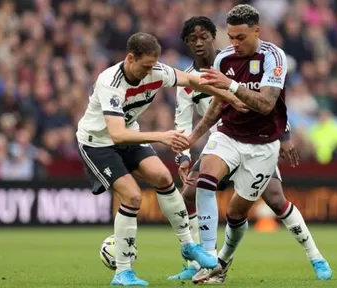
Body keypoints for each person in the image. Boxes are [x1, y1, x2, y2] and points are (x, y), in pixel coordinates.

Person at [174, 6, 333, 283]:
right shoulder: (224, 59)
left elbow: (268, 104)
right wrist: (192, 138)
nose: (234, 43)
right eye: (231, 37)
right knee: (203, 182)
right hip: (228, 136)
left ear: (256, 31)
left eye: (240, 37)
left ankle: (314, 256)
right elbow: (215, 107)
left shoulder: (274, 57)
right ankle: (208, 257)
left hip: (263, 145)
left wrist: (233, 87)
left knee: (239, 211)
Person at [76, 32, 245, 286]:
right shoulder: (110, 82)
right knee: (132, 196)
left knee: (164, 178)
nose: (150, 71)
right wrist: (163, 137)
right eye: (145, 66)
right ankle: (122, 272)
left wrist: (229, 95)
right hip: (98, 143)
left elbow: (191, 80)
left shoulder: (156, 70)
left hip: (129, 133)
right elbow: (117, 134)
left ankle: (188, 246)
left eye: (154, 65)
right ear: (130, 58)